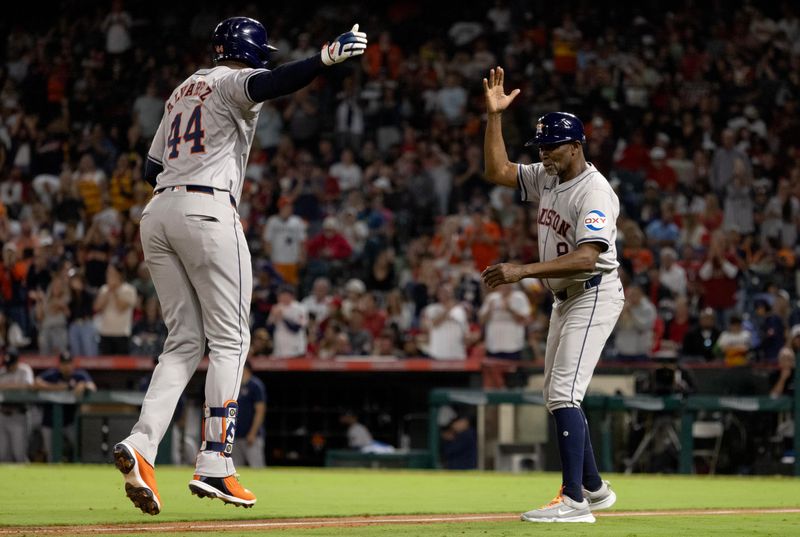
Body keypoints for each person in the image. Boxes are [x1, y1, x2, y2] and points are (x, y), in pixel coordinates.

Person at [112, 16, 367, 515]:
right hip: (207, 208)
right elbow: (271, 82)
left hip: (158, 211)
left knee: (184, 341)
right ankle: (215, 461)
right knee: (231, 340)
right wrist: (323, 59)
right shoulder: (232, 81)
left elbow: (150, 168)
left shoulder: (181, 89)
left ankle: (143, 444)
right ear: (246, 49)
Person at [480, 67, 623, 523]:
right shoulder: (548, 176)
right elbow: (497, 170)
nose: (544, 155)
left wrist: (522, 270)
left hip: (593, 291)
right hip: (566, 298)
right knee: (555, 394)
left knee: (564, 394)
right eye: (540, 148)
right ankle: (596, 489)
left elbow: (586, 257)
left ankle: (574, 501)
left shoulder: (595, 191)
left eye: (552, 147)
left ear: (577, 145)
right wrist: (494, 118)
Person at [34, 351, 96, 462]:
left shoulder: (79, 375)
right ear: (60, 365)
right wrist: (59, 387)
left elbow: (92, 387)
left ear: (73, 364)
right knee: (51, 454)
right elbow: (36, 383)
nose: (66, 366)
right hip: (49, 422)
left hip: (69, 422)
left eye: (69, 363)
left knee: (78, 447)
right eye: (64, 363)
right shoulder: (53, 374)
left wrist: (83, 385)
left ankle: (77, 466)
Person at [479, 283, 531, 360]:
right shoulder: (491, 298)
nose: (504, 286)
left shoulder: (520, 297)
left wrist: (510, 309)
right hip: (493, 345)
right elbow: (481, 320)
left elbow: (526, 320)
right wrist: (489, 310)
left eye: (507, 284)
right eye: (502, 284)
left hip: (513, 345)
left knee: (512, 370)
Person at [0, 348, 34, 462]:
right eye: (7, 364)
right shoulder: (2, 371)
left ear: (17, 361)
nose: (9, 367)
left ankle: (28, 479)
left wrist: (6, 386)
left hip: (18, 414)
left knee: (19, 455)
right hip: (2, 415)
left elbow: (28, 386)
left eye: (12, 363)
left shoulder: (24, 370)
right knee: (2, 455)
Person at [232, 361, 267, 468]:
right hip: (235, 436)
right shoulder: (234, 385)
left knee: (257, 467)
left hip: (251, 437)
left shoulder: (255, 385)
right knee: (235, 470)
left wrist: (253, 433)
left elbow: (260, 410)